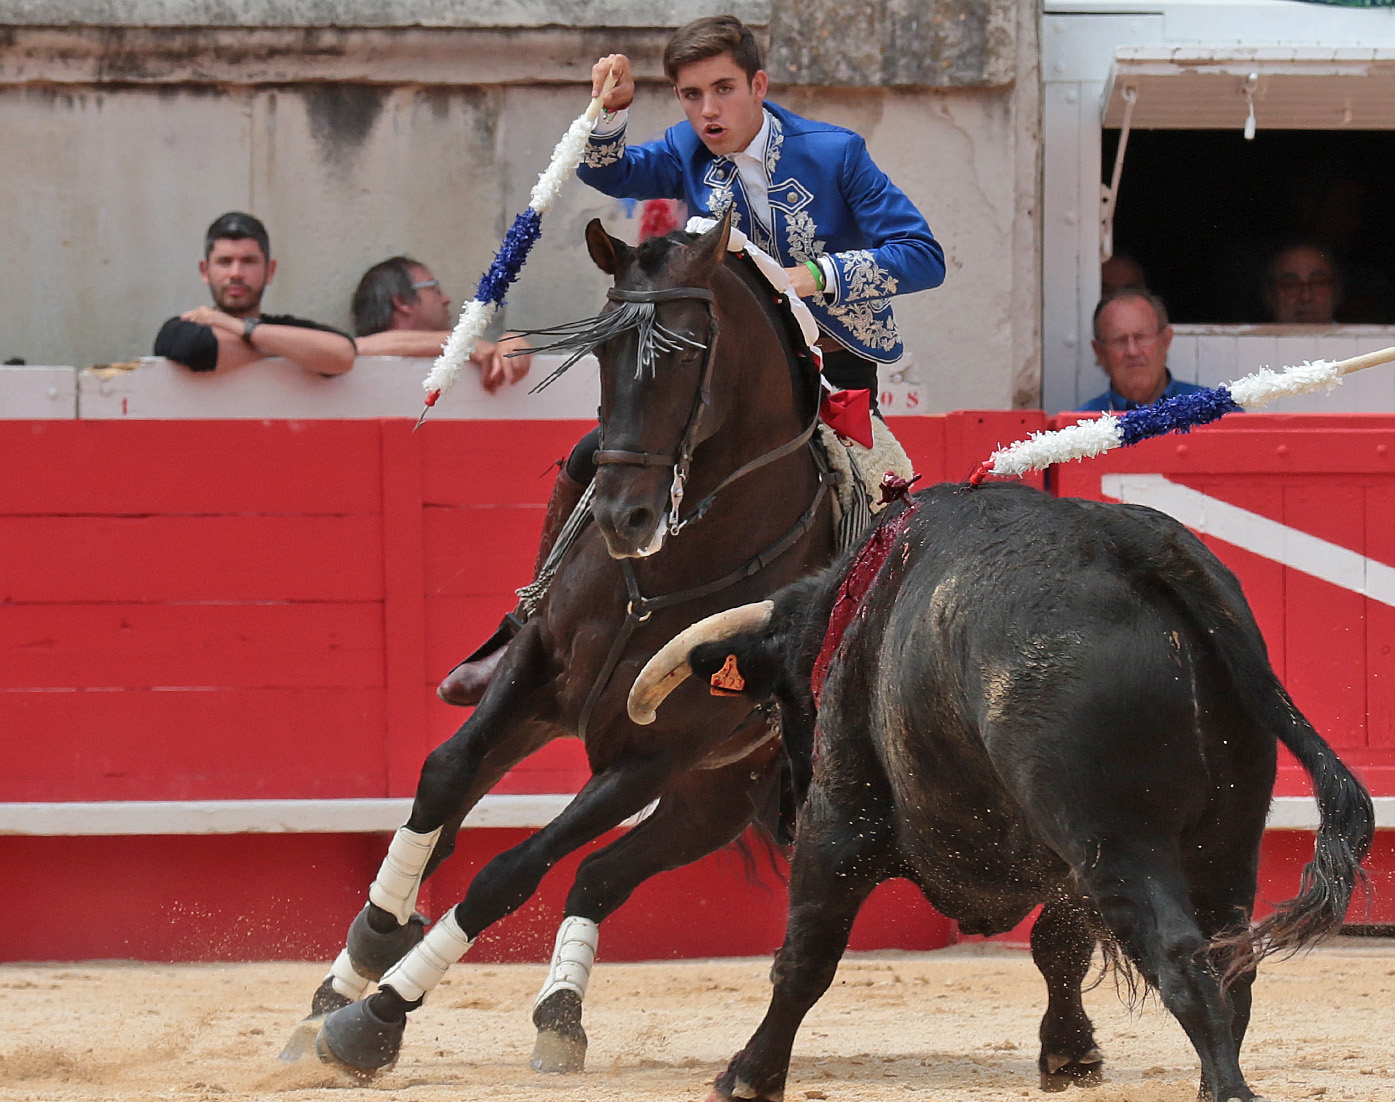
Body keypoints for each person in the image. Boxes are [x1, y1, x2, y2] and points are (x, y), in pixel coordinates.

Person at [436, 14, 945, 707]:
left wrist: (814, 277)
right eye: (690, 94)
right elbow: (609, 171)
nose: (708, 111)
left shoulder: (835, 154)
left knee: (877, 492)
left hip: (829, 364)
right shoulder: (686, 148)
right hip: (732, 373)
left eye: (723, 90)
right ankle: (530, 622)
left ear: (758, 85)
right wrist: (611, 114)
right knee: (603, 455)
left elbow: (922, 254)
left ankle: (856, 666)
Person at [153, 212, 355, 377]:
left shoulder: (283, 327)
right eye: (225, 262)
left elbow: (341, 353)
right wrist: (293, 350)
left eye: (249, 261)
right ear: (205, 271)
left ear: (270, 271)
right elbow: (196, 349)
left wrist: (235, 326)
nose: (236, 273)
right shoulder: (183, 328)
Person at [350, 257, 531, 392]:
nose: (446, 299)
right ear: (403, 302)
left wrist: (510, 346)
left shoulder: (467, 350)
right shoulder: (354, 356)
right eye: (434, 289)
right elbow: (357, 347)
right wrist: (458, 343)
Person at [1082, 288, 1214, 413]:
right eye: (1119, 340)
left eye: (1141, 337)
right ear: (1099, 351)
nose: (1132, 352)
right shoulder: (1080, 428)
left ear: (1165, 340)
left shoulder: (1211, 411)